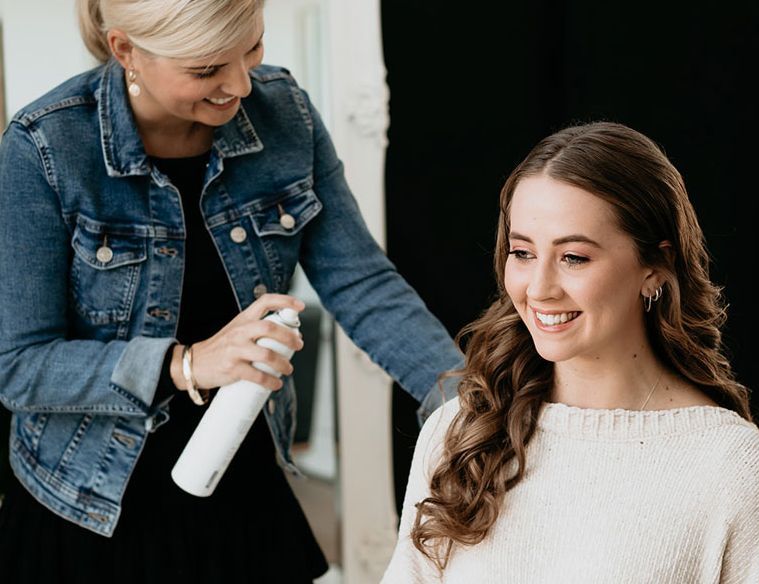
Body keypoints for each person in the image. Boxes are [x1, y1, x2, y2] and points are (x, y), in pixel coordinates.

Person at [0, 1, 463, 582]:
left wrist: (464, 403)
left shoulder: (284, 113)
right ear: (125, 51)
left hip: (240, 476)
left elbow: (363, 284)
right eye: (207, 69)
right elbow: (20, 366)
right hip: (89, 502)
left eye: (252, 48)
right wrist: (188, 364)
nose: (240, 85)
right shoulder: (44, 147)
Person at [382, 121, 759, 583]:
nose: (539, 288)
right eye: (522, 252)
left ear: (655, 267)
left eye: (574, 257)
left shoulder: (732, 469)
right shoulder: (458, 433)